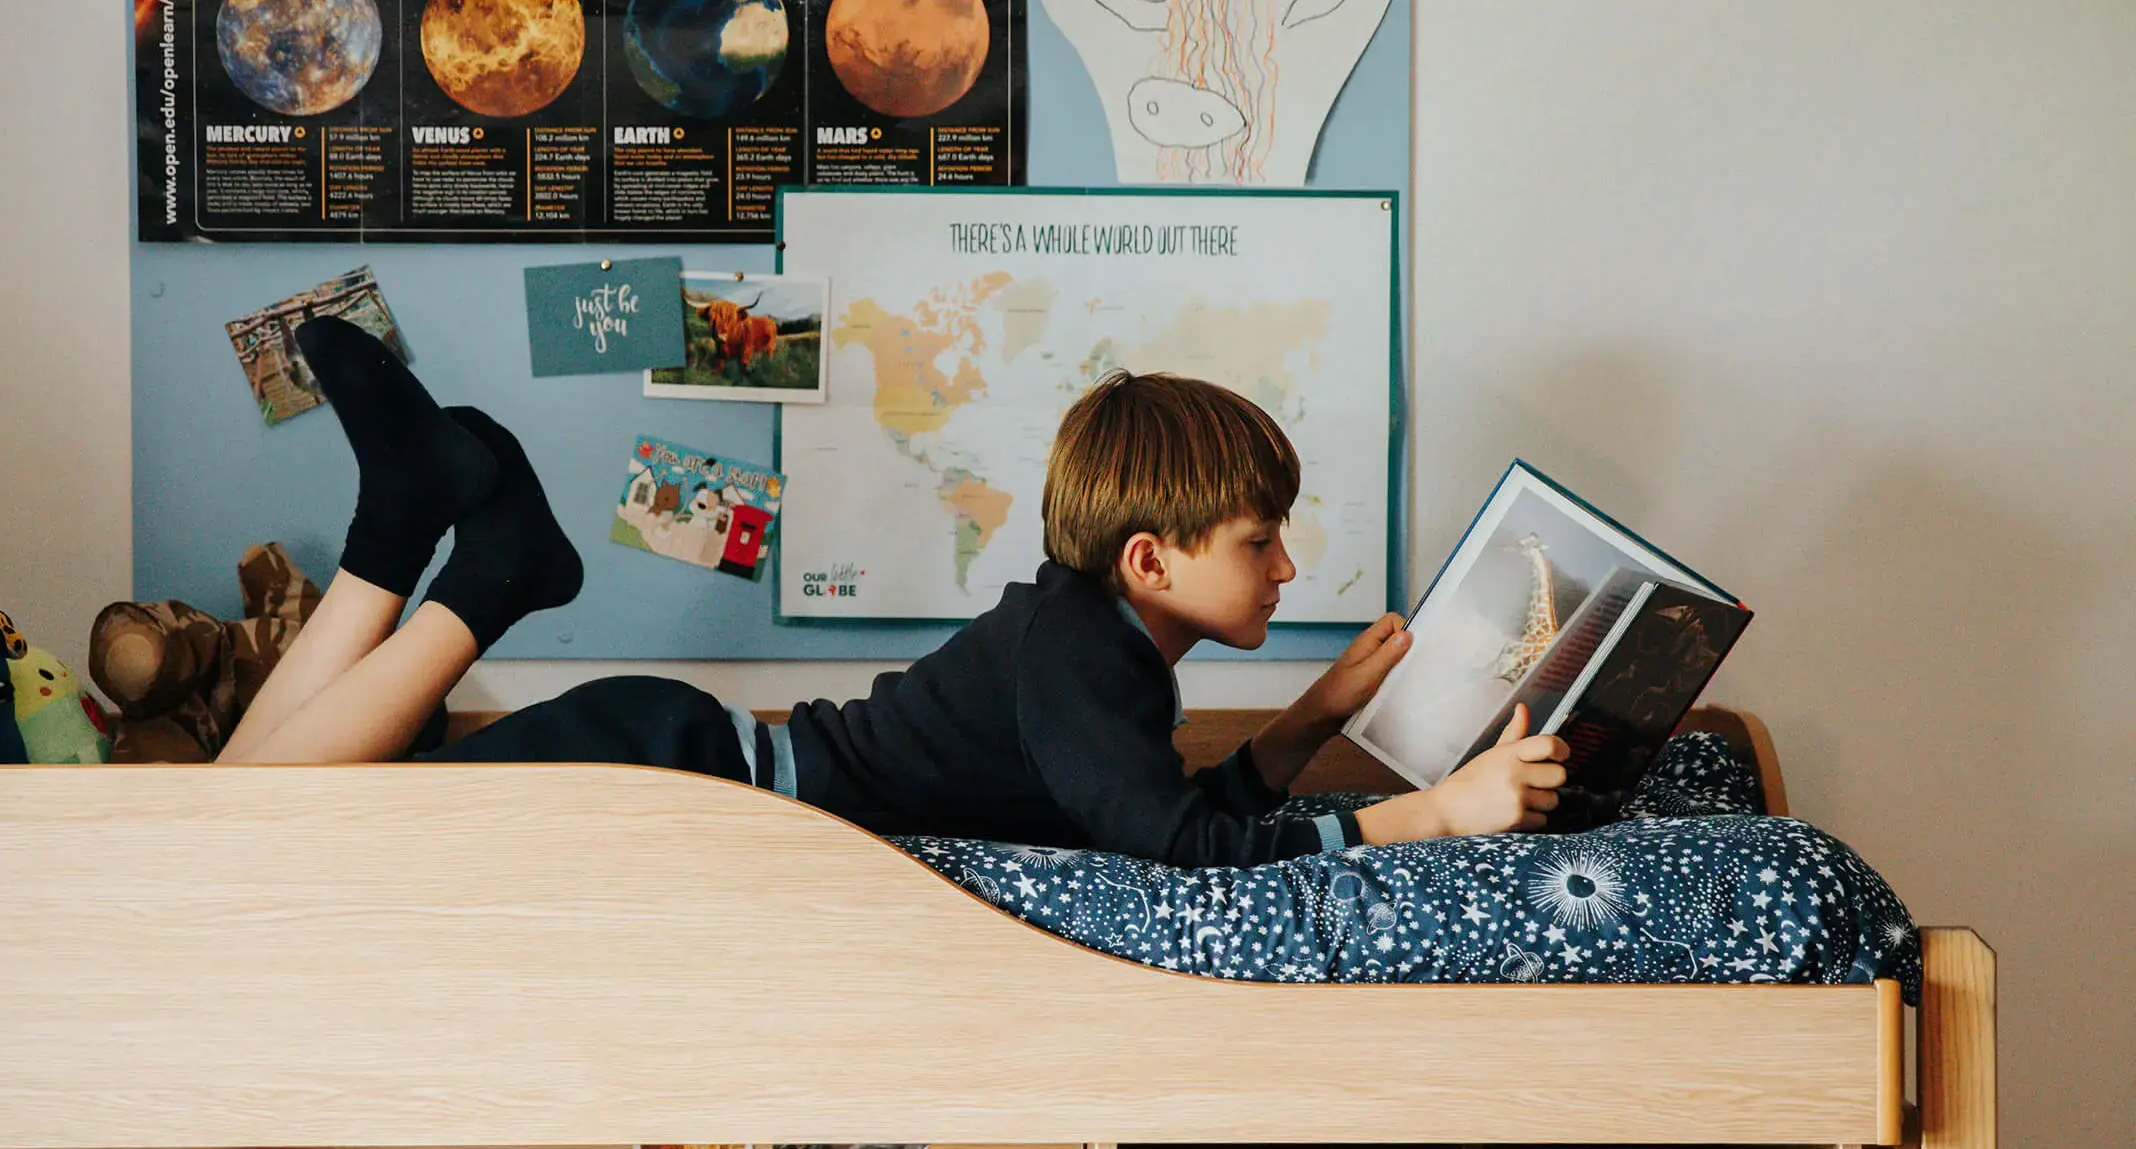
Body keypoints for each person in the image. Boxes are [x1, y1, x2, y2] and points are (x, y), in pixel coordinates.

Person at [221, 319, 1569, 863]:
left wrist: (1310, 718)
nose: (1287, 564)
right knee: (277, 845)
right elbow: (1190, 864)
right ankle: (462, 559)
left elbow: (1154, 818)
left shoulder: (1090, 648)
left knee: (242, 837)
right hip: (679, 773)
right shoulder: (1079, 654)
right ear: (1151, 559)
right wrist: (1434, 812)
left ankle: (408, 543)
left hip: (679, 766)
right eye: (1260, 538)